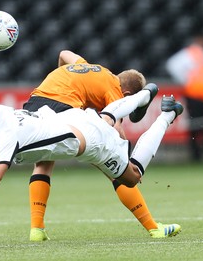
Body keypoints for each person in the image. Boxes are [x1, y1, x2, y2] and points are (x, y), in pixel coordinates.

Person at [0, 93, 183, 249]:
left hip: (90, 141)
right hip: (69, 119)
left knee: (132, 176)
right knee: (105, 117)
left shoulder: (6, 131)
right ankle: (144, 94)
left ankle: (167, 115)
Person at [23, 50, 180, 241]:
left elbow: (64, 54)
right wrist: (125, 163)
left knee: (44, 162)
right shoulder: (115, 90)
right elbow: (117, 129)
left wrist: (64, 76)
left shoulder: (86, 66)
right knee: (116, 171)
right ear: (128, 94)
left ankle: (36, 230)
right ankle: (153, 228)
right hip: (64, 108)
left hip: (35, 104)